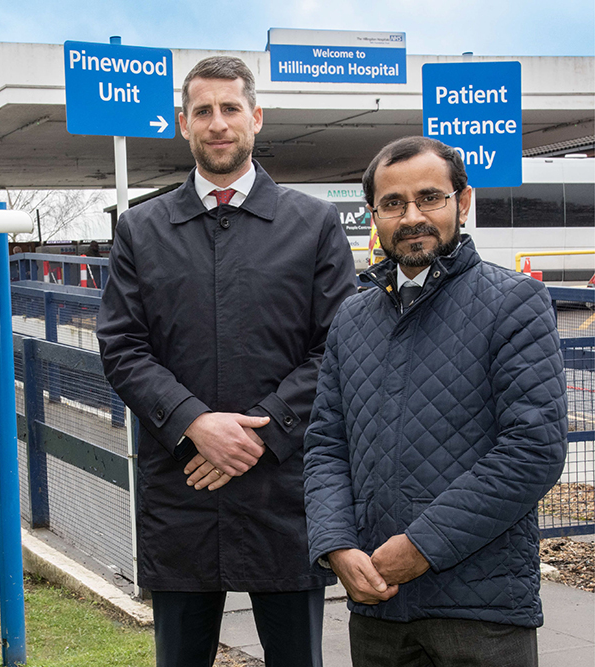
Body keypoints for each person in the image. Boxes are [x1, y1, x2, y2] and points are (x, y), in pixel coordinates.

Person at [96, 55, 356, 667]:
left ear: (256, 117)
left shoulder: (314, 224)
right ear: (182, 124)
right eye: (202, 111)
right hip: (182, 484)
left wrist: (259, 434)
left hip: (284, 490)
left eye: (230, 108)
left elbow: (338, 347)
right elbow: (123, 346)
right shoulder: (140, 229)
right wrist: (194, 423)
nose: (217, 123)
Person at [303, 136, 568, 666]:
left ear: (462, 201)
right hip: (378, 609)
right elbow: (326, 446)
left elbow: (532, 449)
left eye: (430, 198)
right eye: (393, 204)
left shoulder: (515, 302)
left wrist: (423, 546)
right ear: (373, 214)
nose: (412, 217)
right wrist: (335, 545)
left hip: (480, 612)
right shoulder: (352, 319)